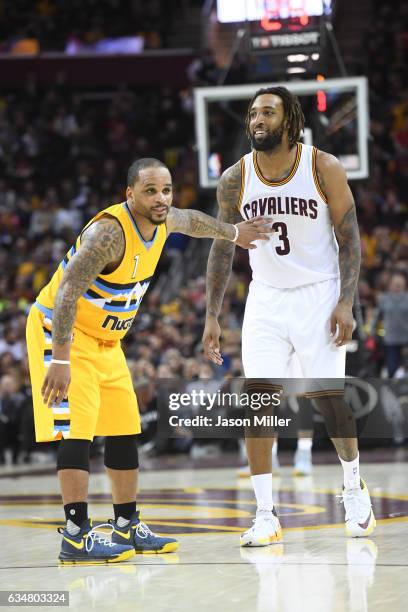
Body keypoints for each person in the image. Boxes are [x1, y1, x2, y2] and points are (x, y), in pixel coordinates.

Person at [26, 157, 271, 564]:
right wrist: (61, 359)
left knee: (125, 428)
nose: (161, 199)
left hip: (107, 341)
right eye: (151, 191)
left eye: (167, 190)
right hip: (64, 332)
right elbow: (67, 292)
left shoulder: (164, 220)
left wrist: (232, 232)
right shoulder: (109, 233)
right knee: (77, 431)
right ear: (130, 194)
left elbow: (193, 221)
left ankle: (126, 524)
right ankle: (75, 535)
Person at [203, 87, 376, 546]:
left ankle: (353, 487)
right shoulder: (234, 179)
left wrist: (346, 301)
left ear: (289, 120)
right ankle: (265, 514)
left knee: (328, 400)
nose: (257, 119)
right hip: (266, 297)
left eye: (268, 112)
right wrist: (212, 315)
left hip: (319, 294)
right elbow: (222, 246)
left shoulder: (323, 166)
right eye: (253, 113)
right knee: (258, 404)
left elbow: (351, 236)